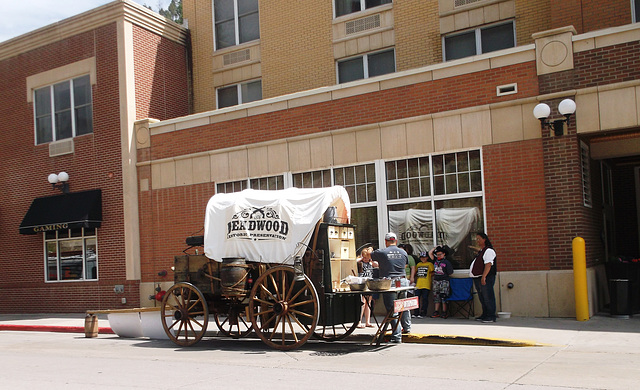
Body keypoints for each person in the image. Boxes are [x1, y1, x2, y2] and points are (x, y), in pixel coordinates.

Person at [371, 232, 411, 343]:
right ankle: (407, 328)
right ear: (396, 241)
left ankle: (397, 336)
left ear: (386, 241)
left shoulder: (382, 252)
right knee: (404, 306)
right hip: (403, 280)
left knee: (392, 309)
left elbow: (371, 255)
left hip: (390, 282)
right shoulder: (403, 252)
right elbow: (405, 265)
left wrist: (379, 265)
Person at [471, 232, 497, 323]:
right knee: (482, 297)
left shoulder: (489, 251)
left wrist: (484, 276)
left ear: (484, 239)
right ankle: (485, 314)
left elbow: (488, 264)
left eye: (478, 239)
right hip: (478, 277)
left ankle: (491, 315)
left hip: (486, 277)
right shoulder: (482, 251)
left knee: (488, 296)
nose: (477, 241)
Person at [429, 246, 453, 318]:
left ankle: (444, 311)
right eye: (438, 254)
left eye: (440, 254)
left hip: (444, 280)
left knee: (444, 296)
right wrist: (434, 248)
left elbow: (450, 272)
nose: (439, 256)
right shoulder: (435, 261)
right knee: (436, 296)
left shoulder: (446, 262)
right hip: (436, 280)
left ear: (444, 254)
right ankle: (436, 311)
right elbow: (430, 253)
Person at [356, 245, 377, 328]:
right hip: (362, 283)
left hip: (369, 283)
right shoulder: (360, 262)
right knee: (362, 303)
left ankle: (367, 321)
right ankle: (359, 321)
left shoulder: (370, 263)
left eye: (367, 257)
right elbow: (354, 261)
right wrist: (361, 258)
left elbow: (377, 264)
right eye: (364, 257)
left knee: (369, 303)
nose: (365, 259)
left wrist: (371, 259)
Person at [414, 251, 434, 318]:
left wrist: (429, 276)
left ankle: (423, 312)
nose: (423, 259)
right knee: (417, 298)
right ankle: (416, 312)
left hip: (426, 284)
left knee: (425, 299)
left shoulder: (429, 264)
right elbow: (416, 272)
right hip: (418, 284)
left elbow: (432, 272)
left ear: (427, 258)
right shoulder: (418, 264)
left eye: (424, 257)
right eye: (422, 257)